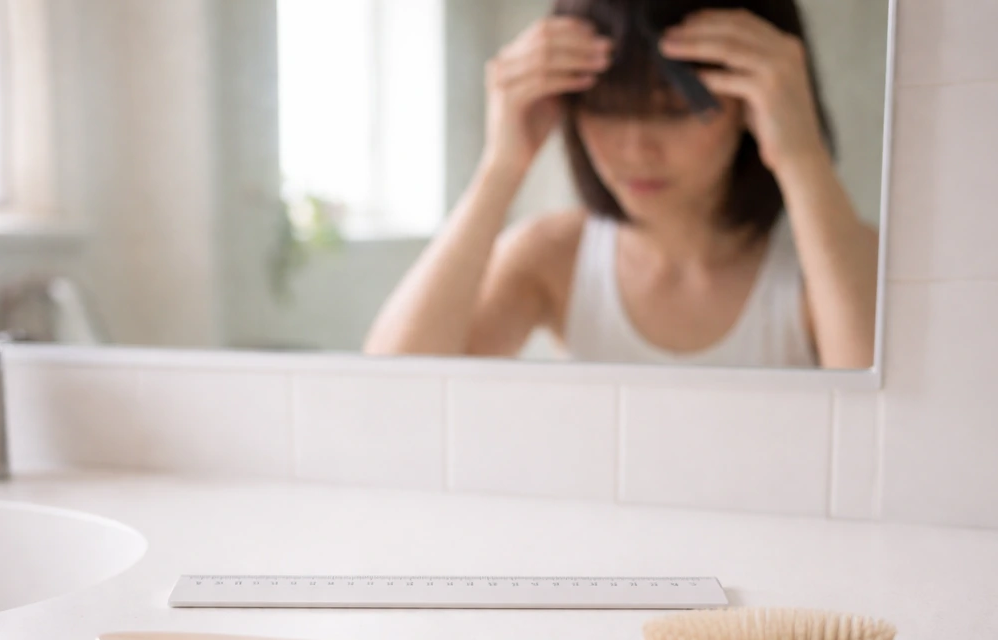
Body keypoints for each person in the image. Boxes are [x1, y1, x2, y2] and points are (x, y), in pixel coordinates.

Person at [364, 0, 879, 369]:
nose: (635, 150)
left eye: (675, 112)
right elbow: (388, 392)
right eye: (604, 110)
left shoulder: (828, 270)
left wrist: (802, 156)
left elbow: (893, 426)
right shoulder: (552, 258)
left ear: (752, 104)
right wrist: (501, 167)